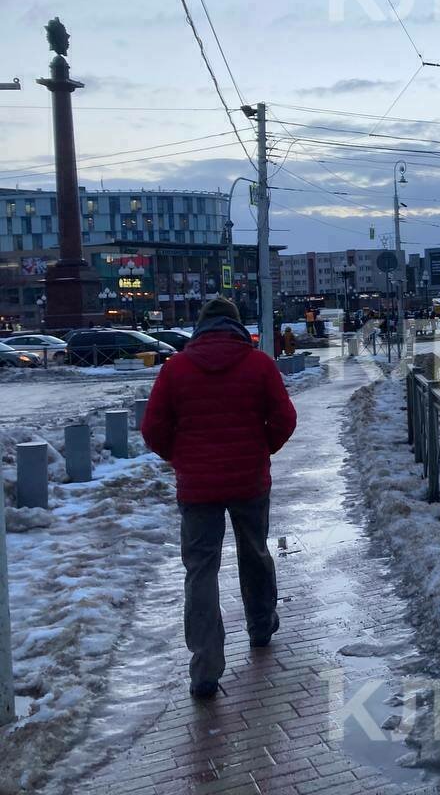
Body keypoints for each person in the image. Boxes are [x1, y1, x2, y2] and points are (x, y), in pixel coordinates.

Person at [141, 297, 297, 700]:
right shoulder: (259, 364)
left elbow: (153, 428)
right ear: (237, 326)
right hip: (249, 479)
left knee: (201, 571)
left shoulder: (176, 370)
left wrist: (182, 458)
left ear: (200, 327)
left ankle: (205, 668)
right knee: (255, 551)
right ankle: (261, 626)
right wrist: (262, 449)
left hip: (197, 488)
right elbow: (285, 419)